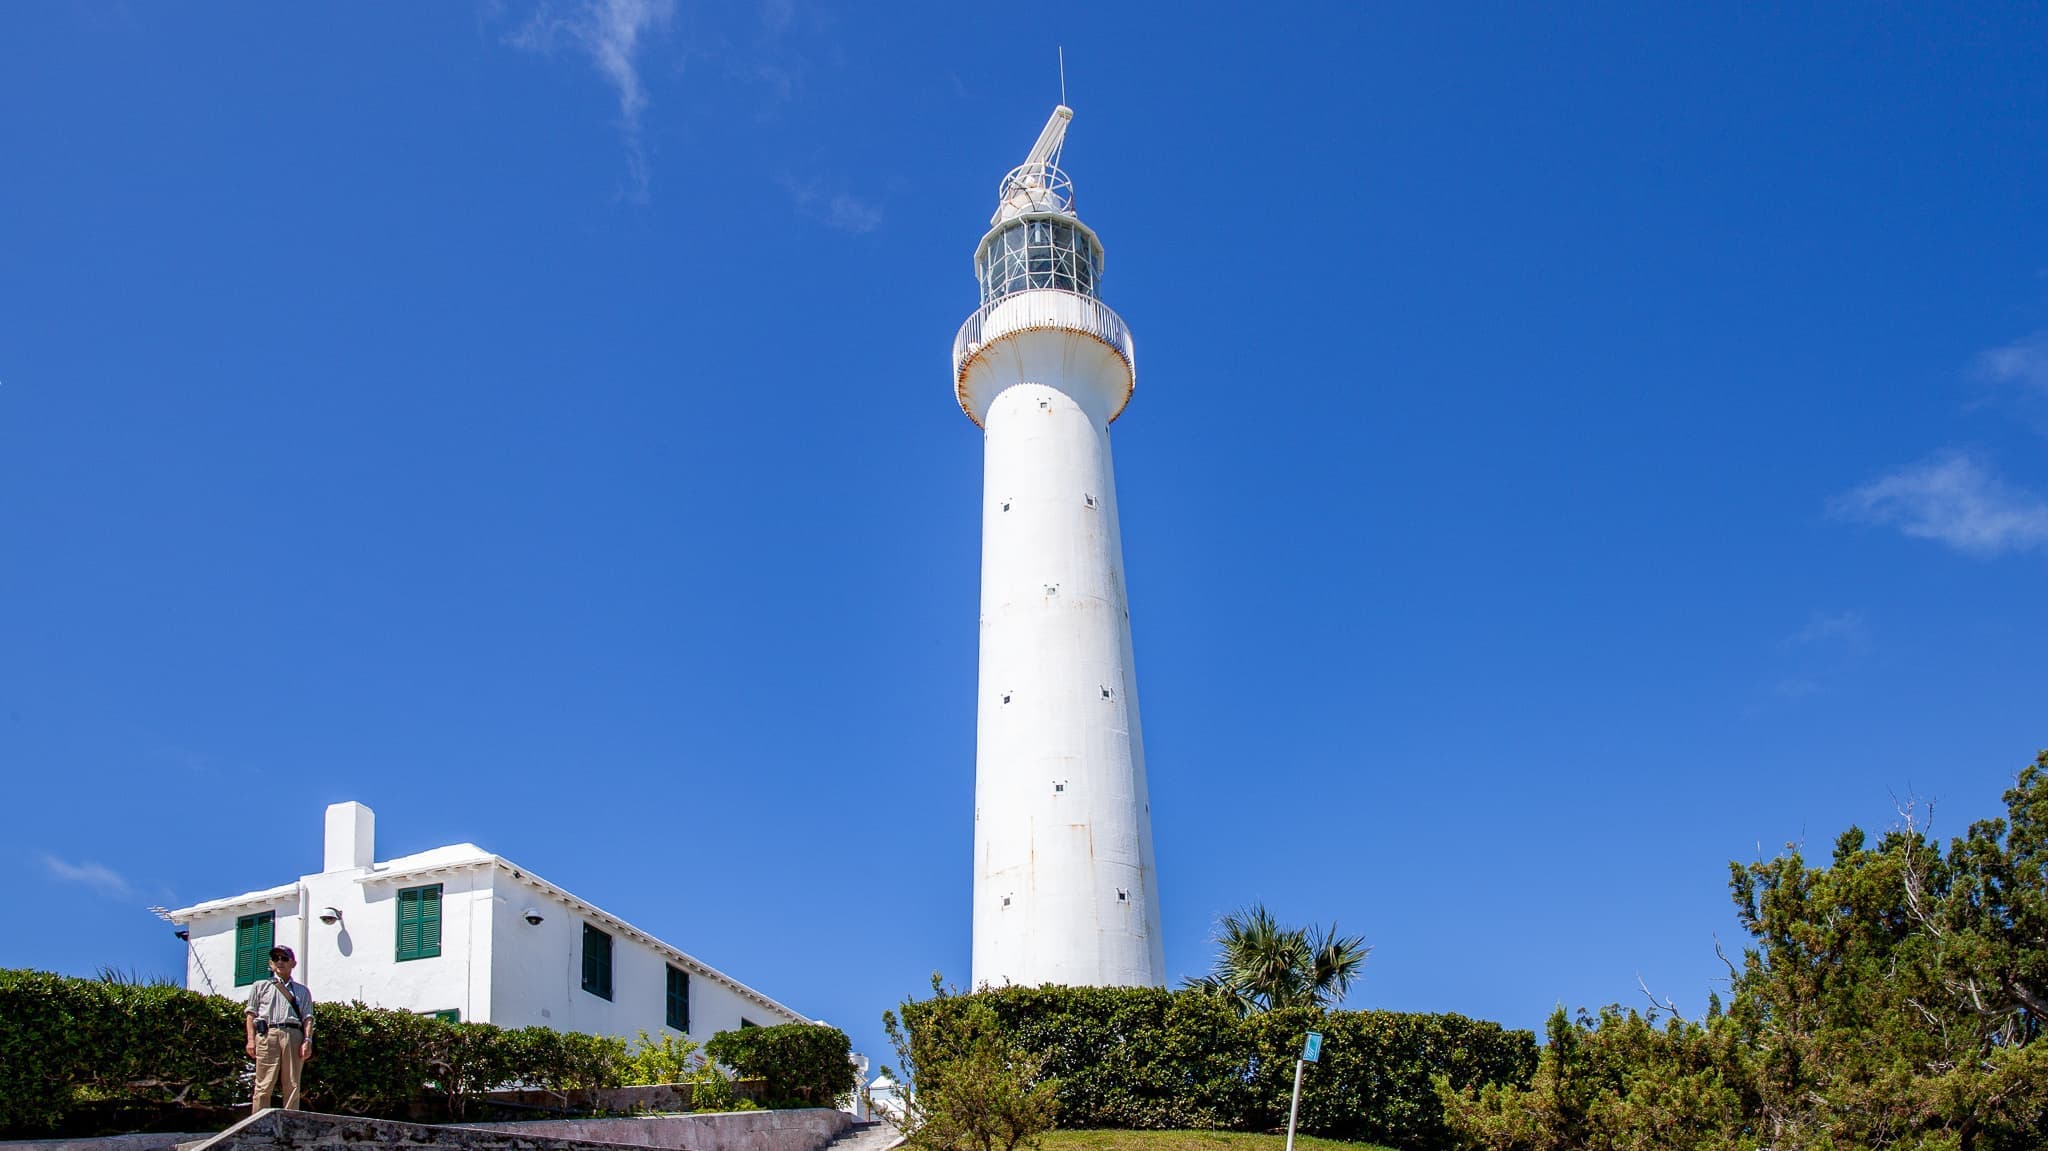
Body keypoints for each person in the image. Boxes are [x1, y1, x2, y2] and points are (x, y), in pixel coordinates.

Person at [244, 945, 314, 1112]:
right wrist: (251, 1040)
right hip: (268, 1034)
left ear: (293, 963)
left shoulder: (302, 991)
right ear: (271, 963)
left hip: (293, 1034)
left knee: (292, 1083)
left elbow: (308, 1017)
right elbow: (250, 1015)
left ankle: (290, 1122)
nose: (280, 962)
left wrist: (307, 1040)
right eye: (276, 958)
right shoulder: (260, 986)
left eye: (284, 958)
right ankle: (258, 1124)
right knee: (263, 1083)